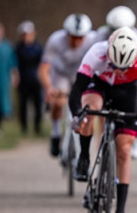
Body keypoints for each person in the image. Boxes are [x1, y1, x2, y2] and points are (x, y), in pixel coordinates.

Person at [69, 27, 137, 213]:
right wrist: (77, 115)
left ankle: (120, 212)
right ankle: (83, 158)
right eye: (114, 65)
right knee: (90, 110)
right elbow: (76, 91)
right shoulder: (96, 53)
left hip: (126, 92)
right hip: (98, 85)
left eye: (124, 67)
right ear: (108, 51)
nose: (118, 70)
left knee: (124, 150)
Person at [38, 13, 96, 157]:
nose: (76, 41)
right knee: (58, 102)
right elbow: (44, 68)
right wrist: (48, 87)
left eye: (80, 37)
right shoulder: (56, 40)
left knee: (85, 106)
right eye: (73, 37)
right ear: (66, 34)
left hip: (82, 75)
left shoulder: (93, 40)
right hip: (61, 74)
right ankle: (56, 133)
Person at [93, 6, 137, 160]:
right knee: (100, 111)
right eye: (113, 29)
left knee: (134, 97)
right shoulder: (100, 35)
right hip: (105, 74)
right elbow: (94, 60)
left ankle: (133, 138)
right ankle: (100, 149)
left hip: (127, 75)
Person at [0, 22, 18, 136]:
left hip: (3, 78)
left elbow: (12, 63)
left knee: (1, 102)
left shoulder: (7, 46)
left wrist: (15, 75)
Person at [14, 21, 43, 135]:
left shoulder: (38, 47)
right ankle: (24, 127)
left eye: (28, 34)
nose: (26, 37)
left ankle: (37, 127)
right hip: (23, 80)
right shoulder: (18, 48)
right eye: (24, 34)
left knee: (37, 105)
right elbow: (14, 64)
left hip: (36, 80)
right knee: (23, 105)